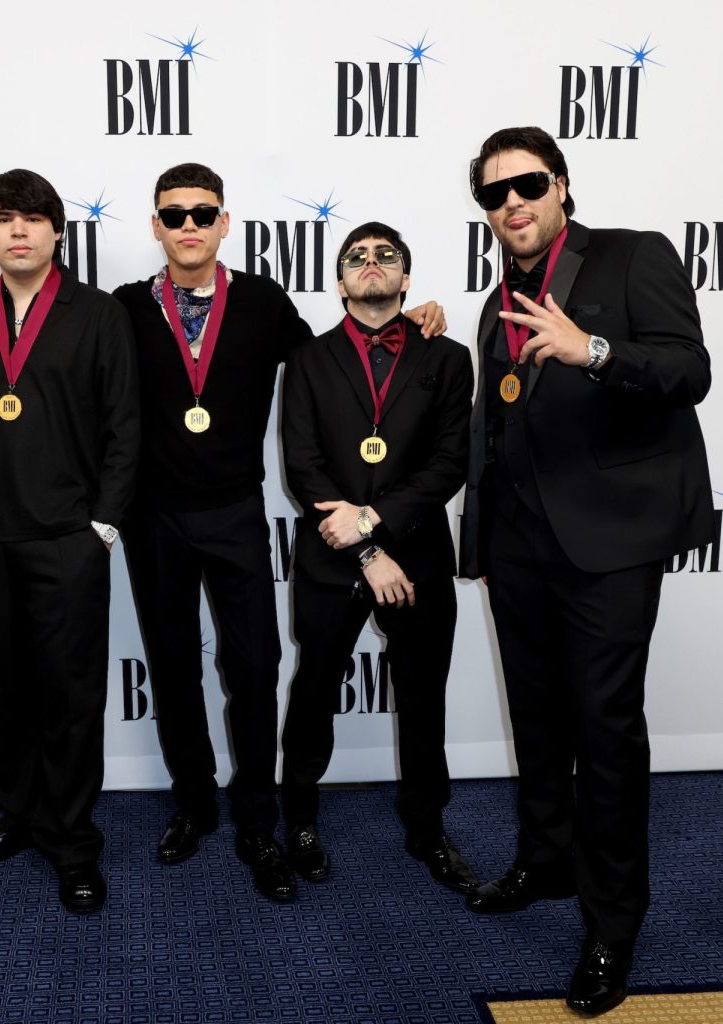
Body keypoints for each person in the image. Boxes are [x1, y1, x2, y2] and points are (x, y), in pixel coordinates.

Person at [110, 164, 448, 903]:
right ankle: (195, 806)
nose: (190, 225)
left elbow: (339, 358)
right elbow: (69, 352)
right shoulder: (127, 307)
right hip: (154, 517)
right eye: (175, 214)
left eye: (204, 213)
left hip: (235, 514)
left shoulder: (262, 301)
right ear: (156, 225)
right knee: (171, 668)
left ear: (225, 222)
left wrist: (409, 319)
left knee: (254, 669)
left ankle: (257, 822)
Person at [459, 126, 715, 1015]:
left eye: (526, 184)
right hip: (521, 544)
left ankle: (613, 924)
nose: (512, 204)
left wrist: (594, 351)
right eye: (494, 195)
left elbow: (691, 370)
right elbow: (494, 424)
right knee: (536, 716)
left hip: (609, 542)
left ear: (561, 185)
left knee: (604, 729)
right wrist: (483, 541)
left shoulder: (632, 256)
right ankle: (545, 861)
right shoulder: (498, 299)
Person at [0, 169, 139, 915]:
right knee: (5, 689)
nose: (18, 230)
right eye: (4, 218)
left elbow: (125, 429)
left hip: (66, 543)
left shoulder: (99, 315)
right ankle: (20, 816)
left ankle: (74, 842)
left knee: (71, 698)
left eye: (33, 218)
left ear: (57, 231)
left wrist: (102, 527)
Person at [278, 222, 475, 893]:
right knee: (313, 692)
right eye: (357, 258)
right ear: (339, 282)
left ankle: (428, 826)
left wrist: (377, 521)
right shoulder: (307, 359)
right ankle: (300, 818)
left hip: (417, 555)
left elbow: (450, 462)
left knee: (424, 699)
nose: (371, 264)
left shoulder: (448, 359)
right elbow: (301, 464)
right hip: (333, 557)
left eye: (386, 256)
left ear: (406, 279)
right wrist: (365, 546)